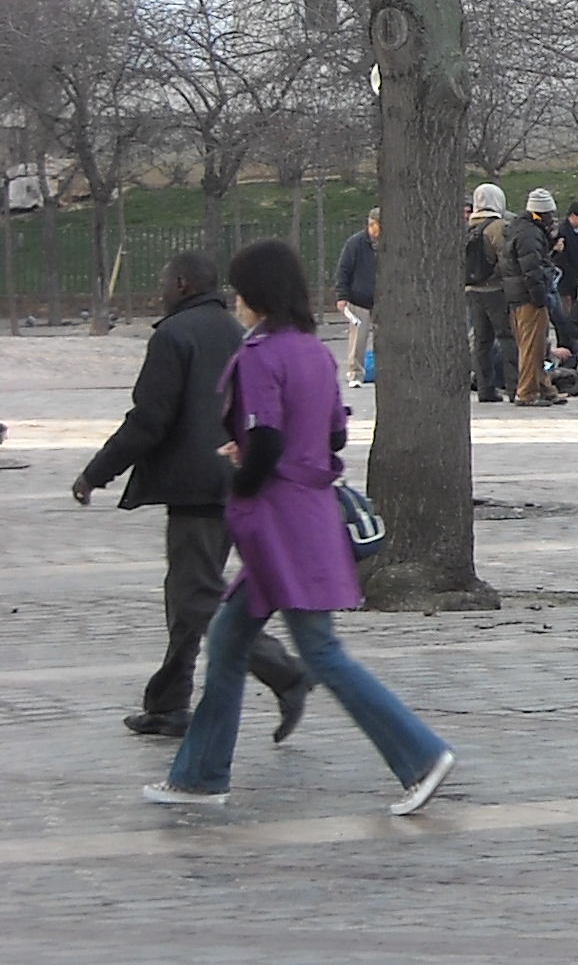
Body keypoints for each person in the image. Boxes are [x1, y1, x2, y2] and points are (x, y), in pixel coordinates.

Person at [142, 240, 455, 816]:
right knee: (227, 641)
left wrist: (241, 475)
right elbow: (334, 433)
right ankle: (199, 774)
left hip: (278, 524)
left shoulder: (260, 355)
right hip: (307, 512)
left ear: (255, 295)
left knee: (322, 651)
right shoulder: (313, 351)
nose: (236, 301)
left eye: (241, 291)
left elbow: (264, 441)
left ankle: (419, 754)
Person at [72, 254, 310, 743]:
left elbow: (149, 419)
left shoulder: (174, 335)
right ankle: (168, 701)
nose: (160, 291)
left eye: (164, 282)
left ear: (182, 283)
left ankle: (284, 672)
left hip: (195, 482)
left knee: (196, 596)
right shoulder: (235, 330)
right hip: (233, 474)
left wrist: (96, 473)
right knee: (188, 592)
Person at [508, 191, 561, 405]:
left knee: (537, 345)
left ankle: (544, 387)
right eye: (550, 214)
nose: (552, 218)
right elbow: (531, 269)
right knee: (532, 346)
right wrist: (540, 297)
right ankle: (527, 393)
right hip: (529, 297)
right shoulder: (530, 234)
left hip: (518, 294)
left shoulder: (520, 228)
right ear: (541, 213)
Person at [462, 184, 514, 403]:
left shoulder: (468, 226)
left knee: (481, 342)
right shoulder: (498, 227)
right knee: (507, 337)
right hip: (495, 290)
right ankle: (514, 386)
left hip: (472, 290)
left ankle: (485, 389)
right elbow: (506, 259)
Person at [333, 211, 380, 385]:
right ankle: (355, 373)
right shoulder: (355, 243)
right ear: (370, 224)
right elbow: (344, 270)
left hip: (382, 299)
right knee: (358, 340)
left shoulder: (389, 243)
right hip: (359, 299)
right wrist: (342, 296)